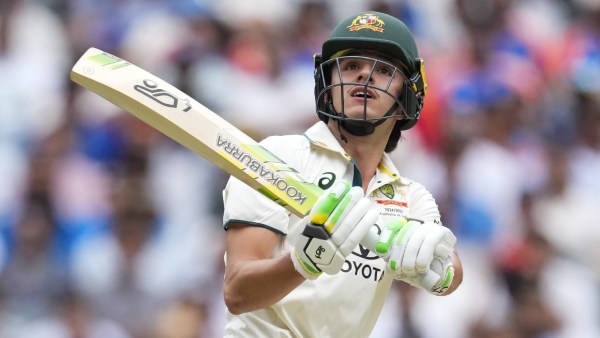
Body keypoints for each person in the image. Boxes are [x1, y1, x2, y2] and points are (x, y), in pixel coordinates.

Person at [222, 11, 463, 337]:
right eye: (351, 66)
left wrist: (441, 271)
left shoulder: (410, 198)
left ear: (409, 94)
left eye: (383, 69)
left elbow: (450, 271)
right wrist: (302, 263)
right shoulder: (277, 157)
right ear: (328, 84)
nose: (364, 74)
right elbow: (238, 293)